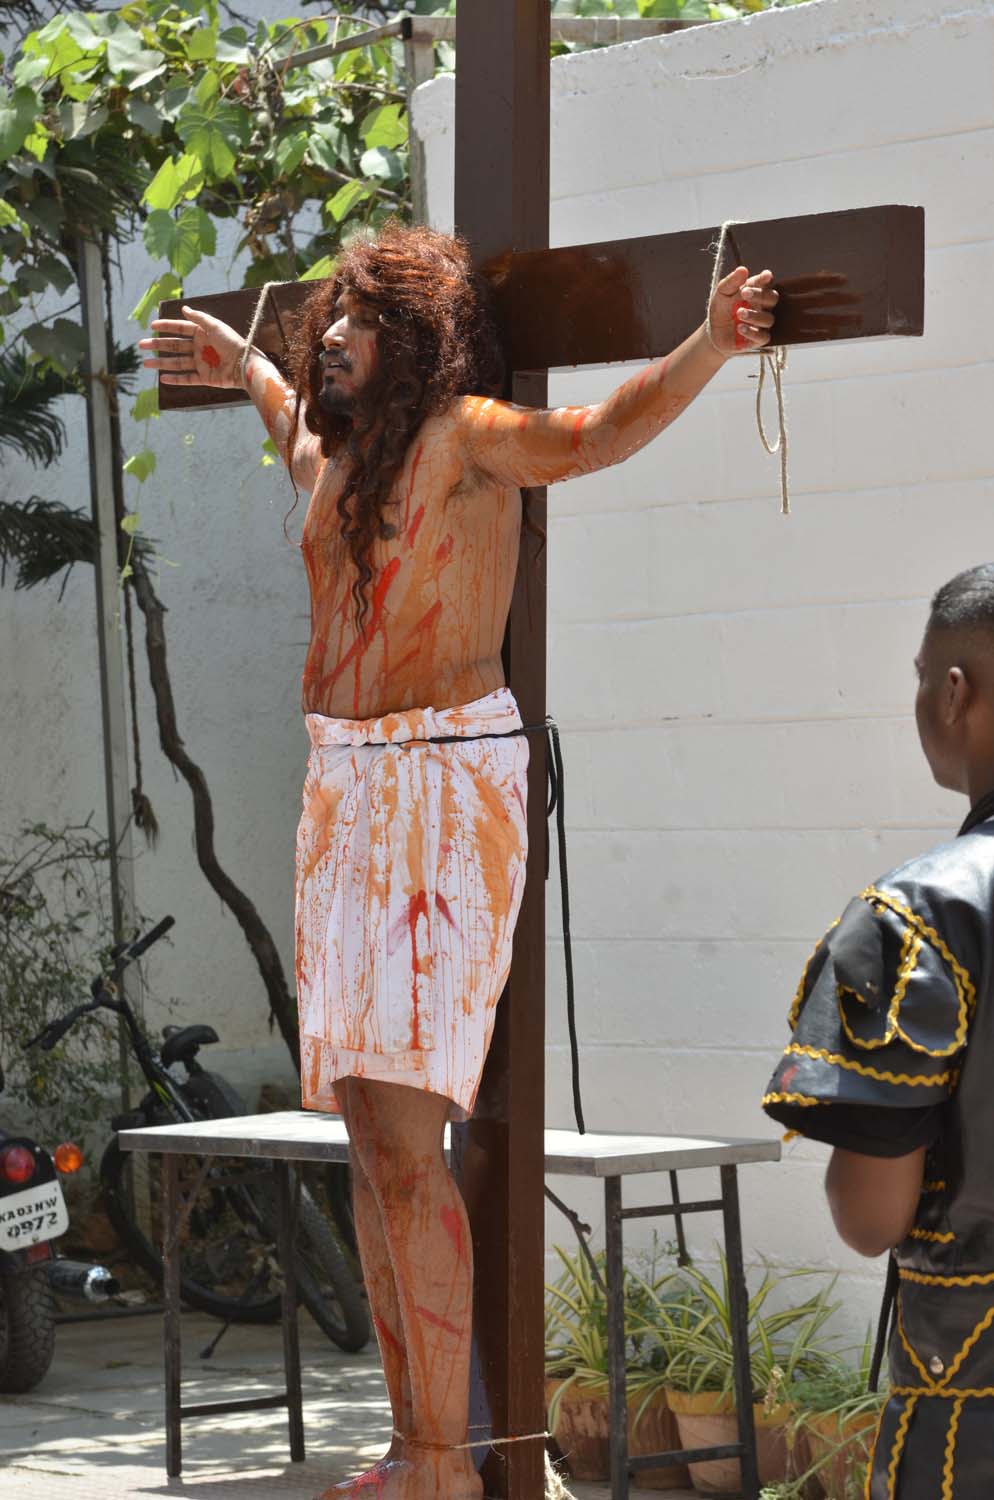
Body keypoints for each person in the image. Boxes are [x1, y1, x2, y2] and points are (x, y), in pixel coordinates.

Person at [140, 223, 778, 1500]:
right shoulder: (339, 457)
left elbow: (593, 435)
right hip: (343, 791)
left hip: (441, 787)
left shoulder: (466, 438)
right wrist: (240, 361)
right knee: (371, 1142)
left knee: (407, 1135)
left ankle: (443, 1460)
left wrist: (709, 343)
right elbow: (287, 420)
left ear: (418, 340)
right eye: (331, 317)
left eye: (360, 321)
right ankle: (412, 1444)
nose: (331, 337)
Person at [763, 562, 994, 1500]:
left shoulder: (921, 915)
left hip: (972, 1403)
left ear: (955, 694)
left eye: (921, 677)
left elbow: (870, 1218)